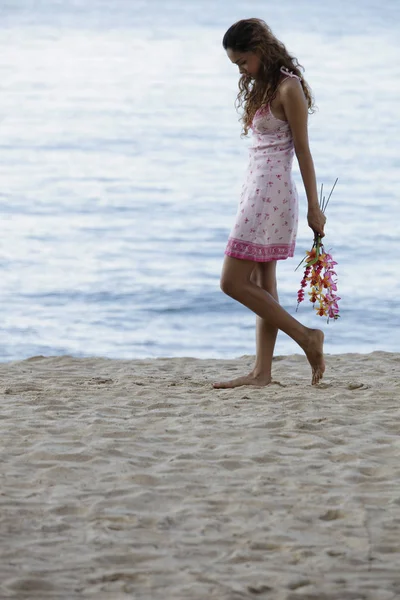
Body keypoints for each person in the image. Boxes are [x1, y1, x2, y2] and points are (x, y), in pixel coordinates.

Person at [213, 18, 326, 389]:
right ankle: (262, 373)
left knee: (231, 282)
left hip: (272, 192)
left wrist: (314, 207)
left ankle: (307, 337)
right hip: (256, 188)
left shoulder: (288, 88)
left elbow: (304, 152)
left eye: (243, 61)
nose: (241, 70)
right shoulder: (263, 86)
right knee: (263, 283)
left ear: (259, 50)